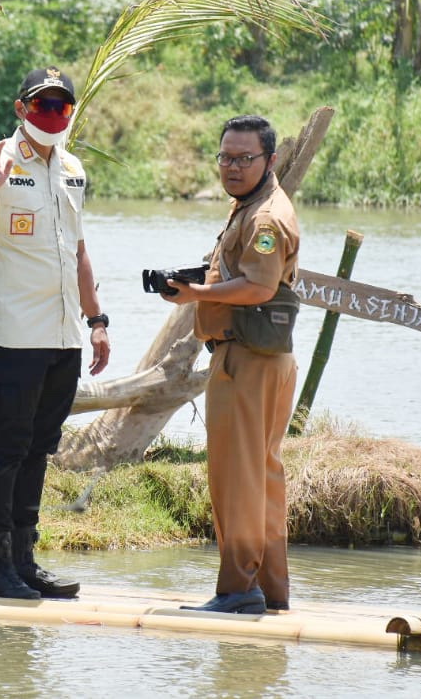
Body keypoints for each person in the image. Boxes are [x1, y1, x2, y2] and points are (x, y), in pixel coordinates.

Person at [0, 67, 111, 600]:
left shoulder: (74, 169)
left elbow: (78, 251)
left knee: (40, 448)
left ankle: (25, 561)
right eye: (42, 105)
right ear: (21, 108)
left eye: (62, 107)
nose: (52, 115)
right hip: (16, 334)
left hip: (65, 336)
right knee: (8, 448)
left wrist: (97, 320)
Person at [159, 114, 300, 615]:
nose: (233, 167)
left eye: (245, 159)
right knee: (261, 474)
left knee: (237, 477)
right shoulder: (251, 207)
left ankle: (239, 590)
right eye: (225, 157)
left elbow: (260, 287)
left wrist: (196, 292)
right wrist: (202, 279)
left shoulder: (265, 217)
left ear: (270, 160)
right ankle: (270, 590)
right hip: (259, 358)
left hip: (247, 360)